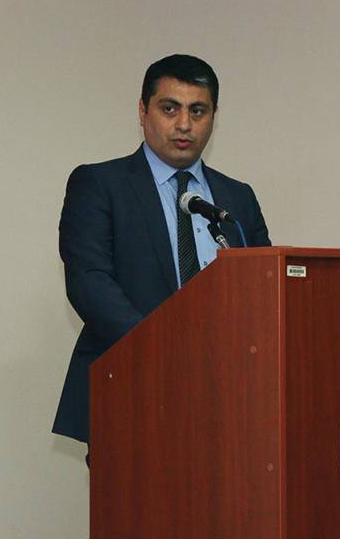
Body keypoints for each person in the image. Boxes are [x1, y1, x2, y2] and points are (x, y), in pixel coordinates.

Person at [52, 54, 271, 449]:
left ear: (213, 117)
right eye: (170, 109)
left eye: (198, 111)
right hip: (132, 391)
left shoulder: (238, 197)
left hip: (228, 398)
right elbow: (90, 283)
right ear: (142, 111)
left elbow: (264, 289)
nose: (184, 124)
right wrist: (168, 352)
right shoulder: (100, 184)